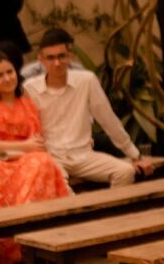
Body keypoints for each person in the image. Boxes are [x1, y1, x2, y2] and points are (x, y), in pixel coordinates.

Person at [0, 52, 67, 264]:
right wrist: (23, 147)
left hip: (21, 158)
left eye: (10, 72)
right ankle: (19, 245)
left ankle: (42, 242)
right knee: (36, 164)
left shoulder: (26, 103)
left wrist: (25, 150)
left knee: (42, 163)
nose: (7, 78)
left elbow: (36, 140)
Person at [26, 28, 153, 186]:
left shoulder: (86, 81)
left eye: (61, 56)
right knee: (61, 187)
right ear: (41, 60)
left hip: (84, 156)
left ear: (70, 56)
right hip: (52, 158)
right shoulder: (30, 88)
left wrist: (135, 155)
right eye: (50, 58)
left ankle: (110, 211)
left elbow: (108, 120)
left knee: (125, 172)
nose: (56, 63)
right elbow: (28, 128)